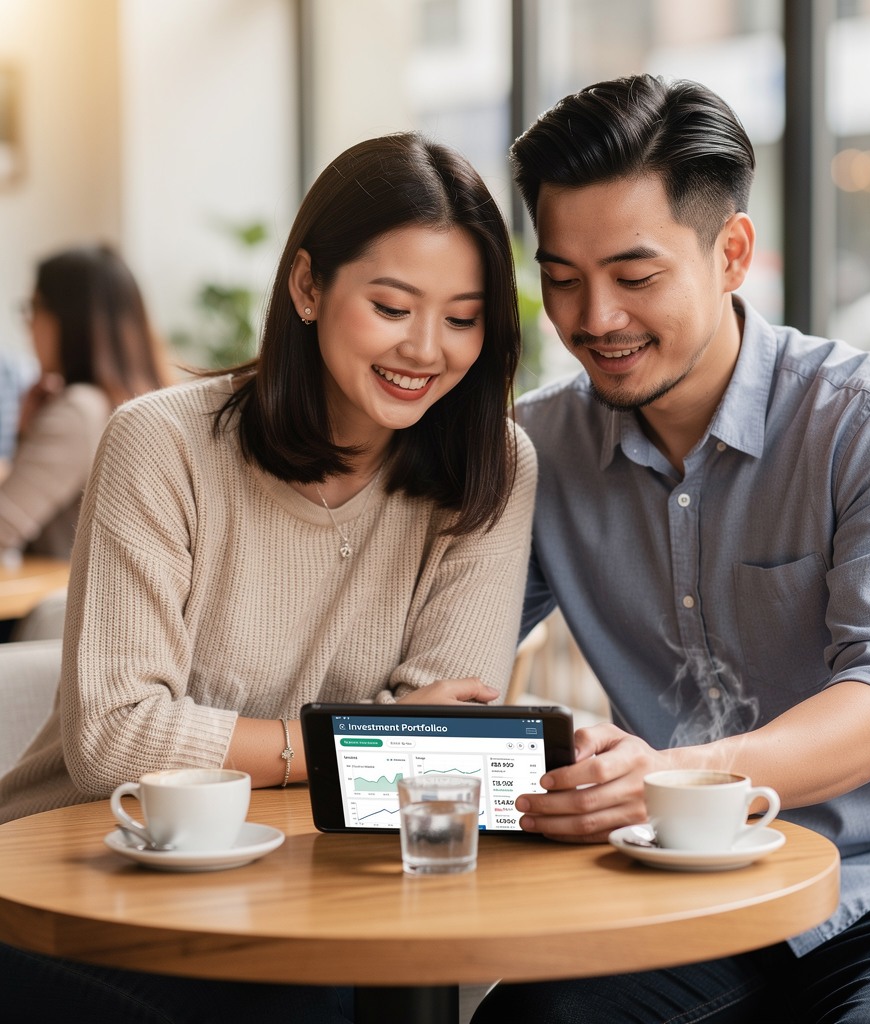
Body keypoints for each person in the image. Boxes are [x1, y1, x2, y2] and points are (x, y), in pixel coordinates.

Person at [472, 75, 870, 1023]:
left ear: (731, 252)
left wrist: (672, 775)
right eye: (561, 279)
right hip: (681, 883)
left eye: (635, 278)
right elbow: (454, 659)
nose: (593, 319)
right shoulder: (537, 449)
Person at [0, 132, 536, 1022]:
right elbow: (116, 741)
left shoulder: (492, 468)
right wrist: (345, 741)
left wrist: (269, 742)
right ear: (308, 286)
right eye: (392, 306)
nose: (426, 349)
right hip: (77, 880)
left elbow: (443, 750)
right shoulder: (161, 444)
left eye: (463, 318)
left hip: (314, 888)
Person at [0, 244, 170, 560]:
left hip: (62, 591)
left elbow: (3, 526)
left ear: (69, 318)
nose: (28, 323)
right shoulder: (148, 404)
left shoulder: (79, 410)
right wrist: (26, 431)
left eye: (34, 307)